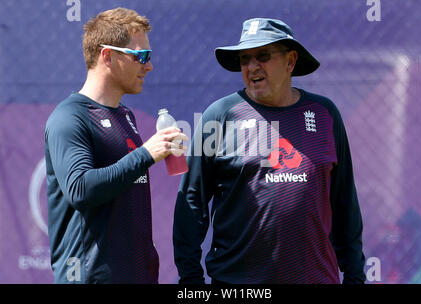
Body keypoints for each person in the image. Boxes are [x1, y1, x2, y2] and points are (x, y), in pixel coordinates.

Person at [173, 18, 366, 284]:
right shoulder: (219, 116)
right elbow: (191, 205)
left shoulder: (324, 113)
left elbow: (344, 201)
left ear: (290, 62)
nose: (252, 67)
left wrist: (355, 275)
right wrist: (191, 280)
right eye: (244, 59)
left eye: (263, 56)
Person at [45, 7, 187, 283]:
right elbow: (81, 189)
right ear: (107, 56)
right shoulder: (69, 117)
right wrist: (146, 153)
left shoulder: (125, 115)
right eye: (141, 56)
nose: (149, 65)